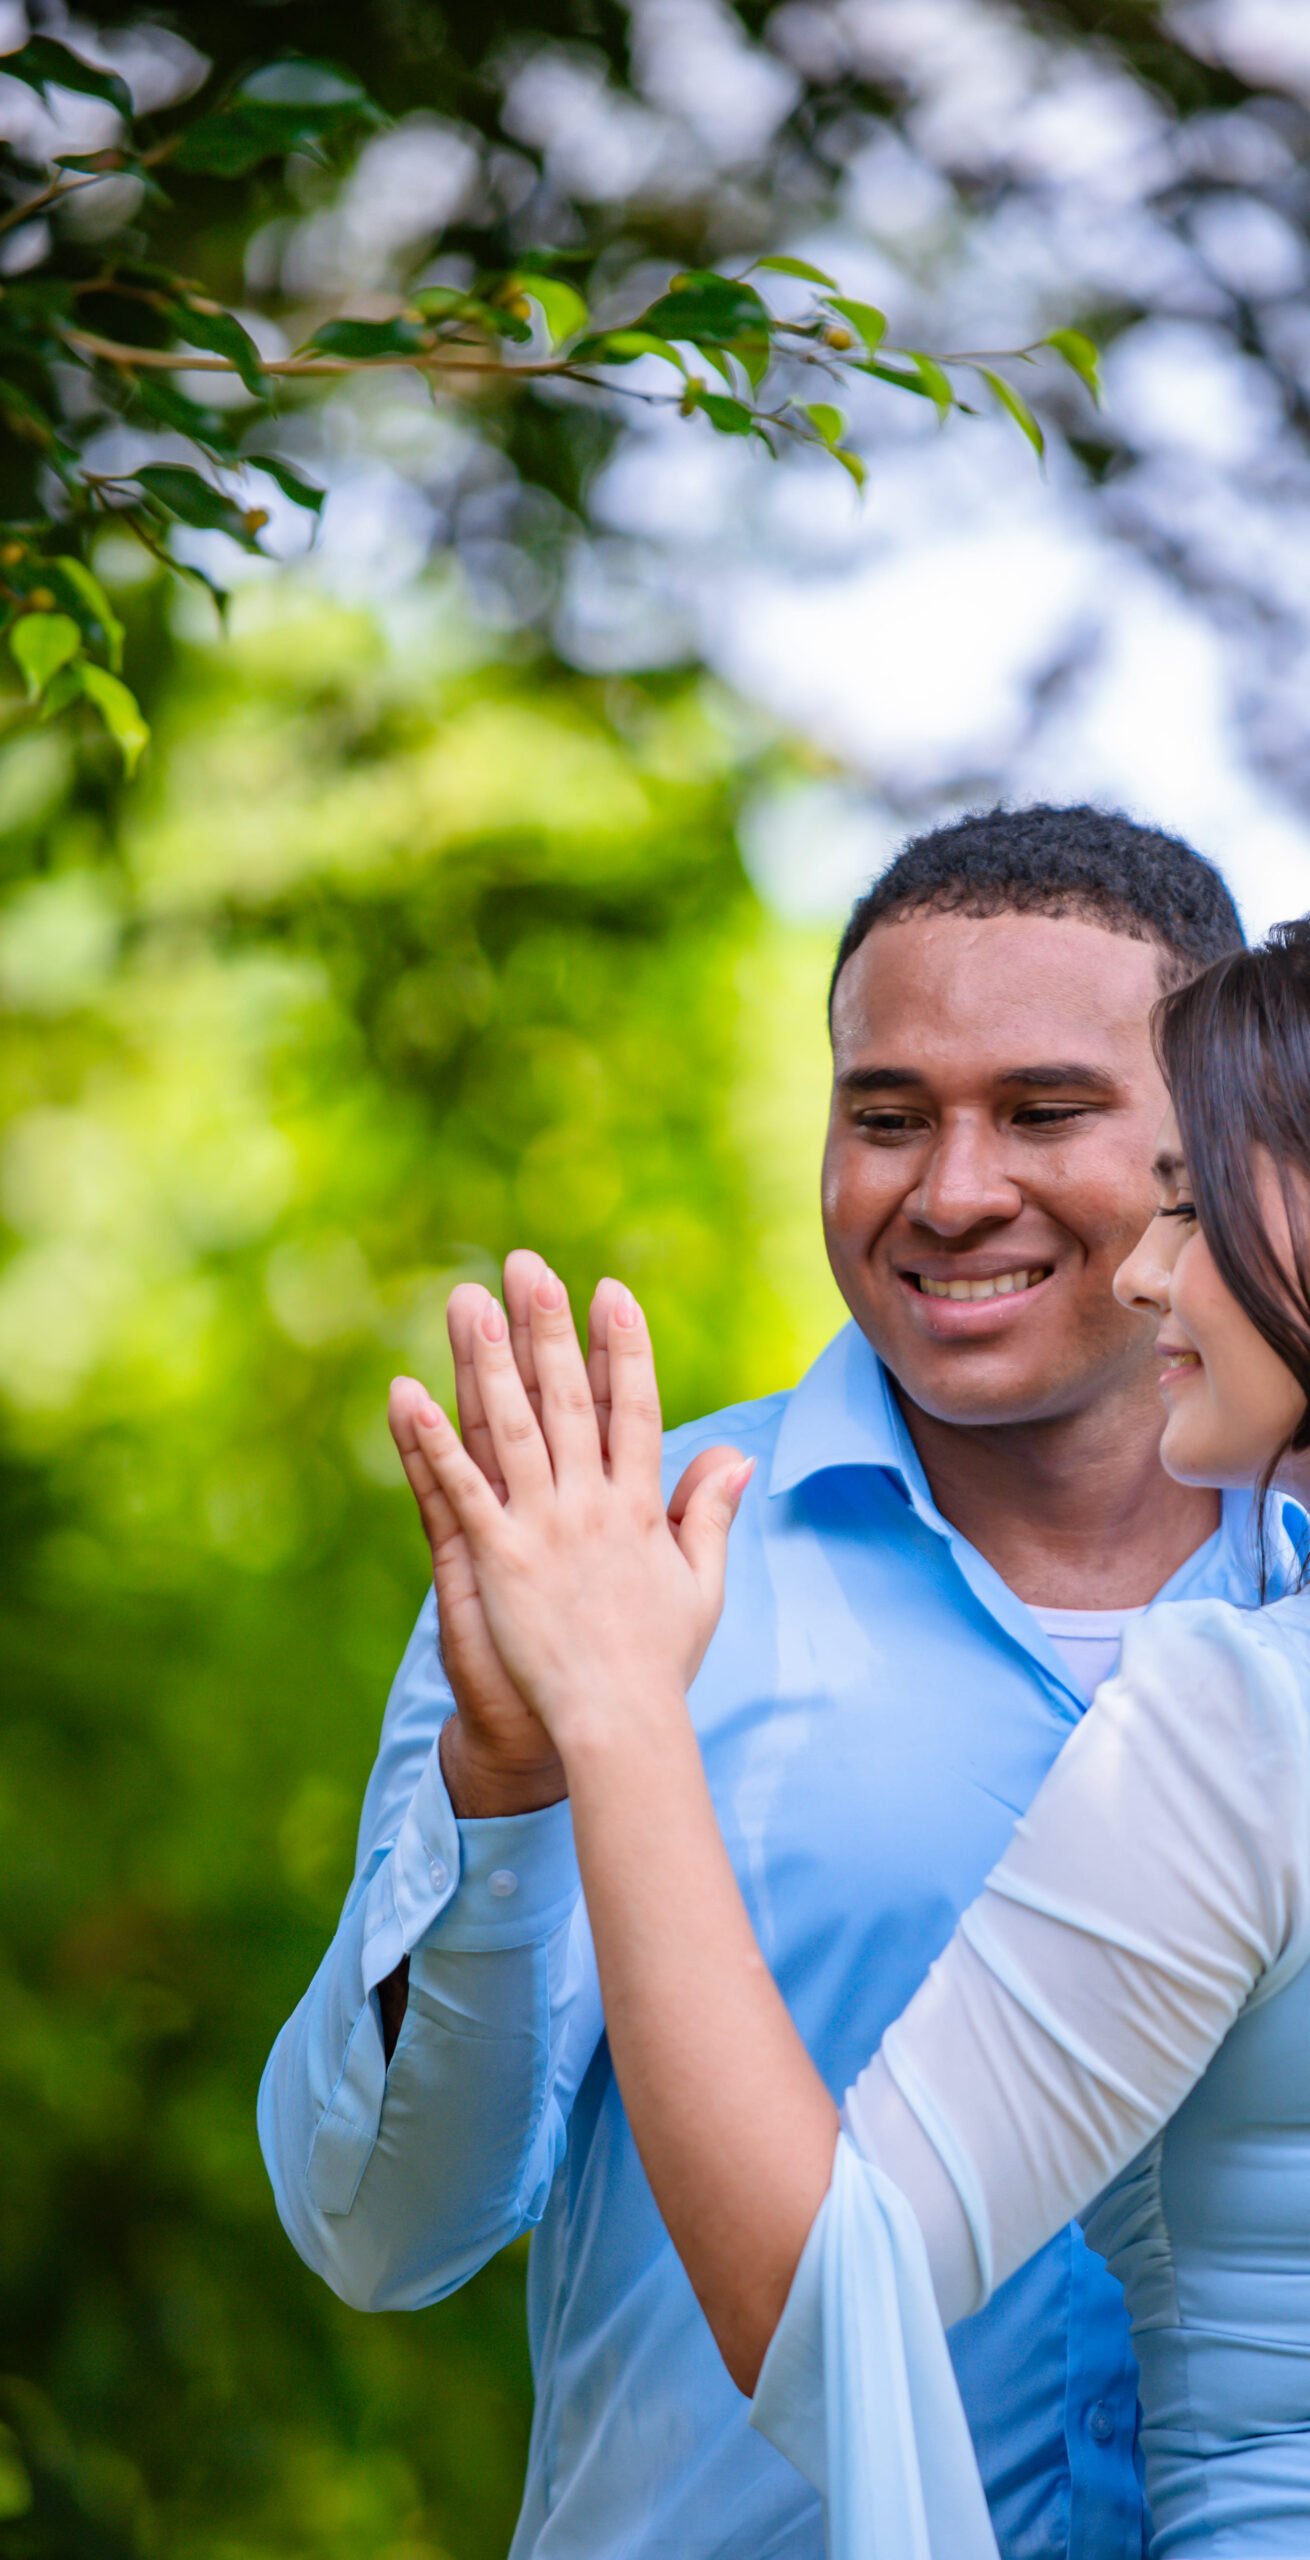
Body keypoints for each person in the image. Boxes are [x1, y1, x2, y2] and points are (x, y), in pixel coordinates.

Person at [259, 807, 1301, 2560]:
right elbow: (378, 2234)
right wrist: (504, 1794)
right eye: (884, 1117)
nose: (950, 1191)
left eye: (1043, 1111)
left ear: (1208, 1140)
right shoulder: (607, 1560)